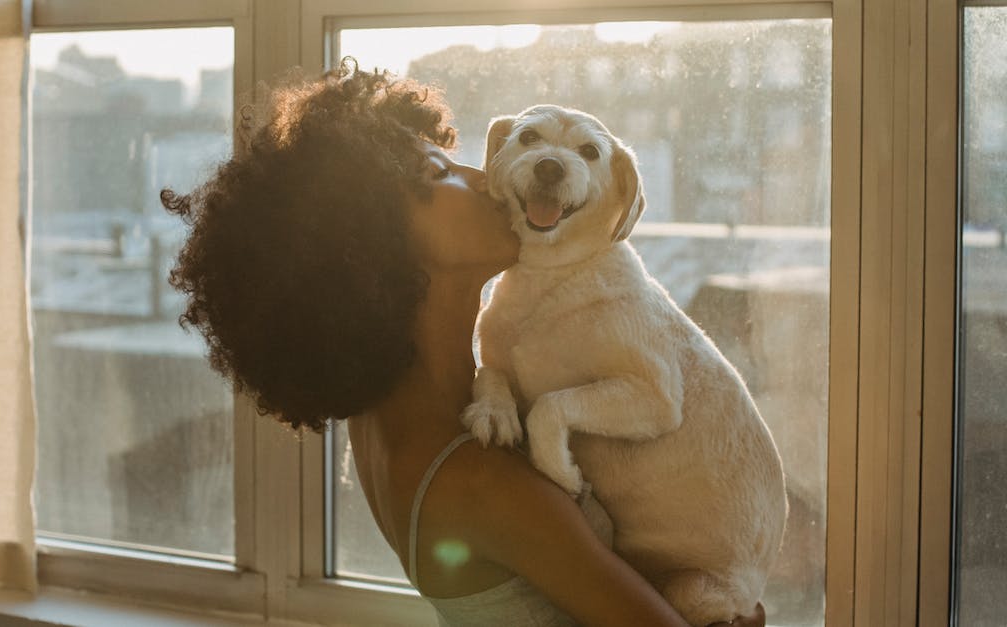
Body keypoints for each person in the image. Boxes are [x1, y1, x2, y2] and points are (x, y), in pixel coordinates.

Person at [163, 61, 765, 627]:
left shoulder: (384, 418)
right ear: (372, 241)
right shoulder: (486, 486)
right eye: (440, 173)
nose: (482, 177)